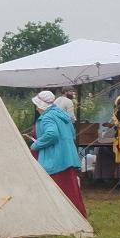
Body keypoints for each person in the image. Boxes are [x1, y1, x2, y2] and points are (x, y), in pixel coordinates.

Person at [30, 90, 84, 218]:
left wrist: (35, 145)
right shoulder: (62, 115)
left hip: (55, 159)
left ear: (42, 105)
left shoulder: (48, 117)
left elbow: (52, 134)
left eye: (37, 105)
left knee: (57, 191)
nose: (37, 109)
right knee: (71, 191)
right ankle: (77, 218)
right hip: (68, 157)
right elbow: (72, 134)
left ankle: (61, 219)